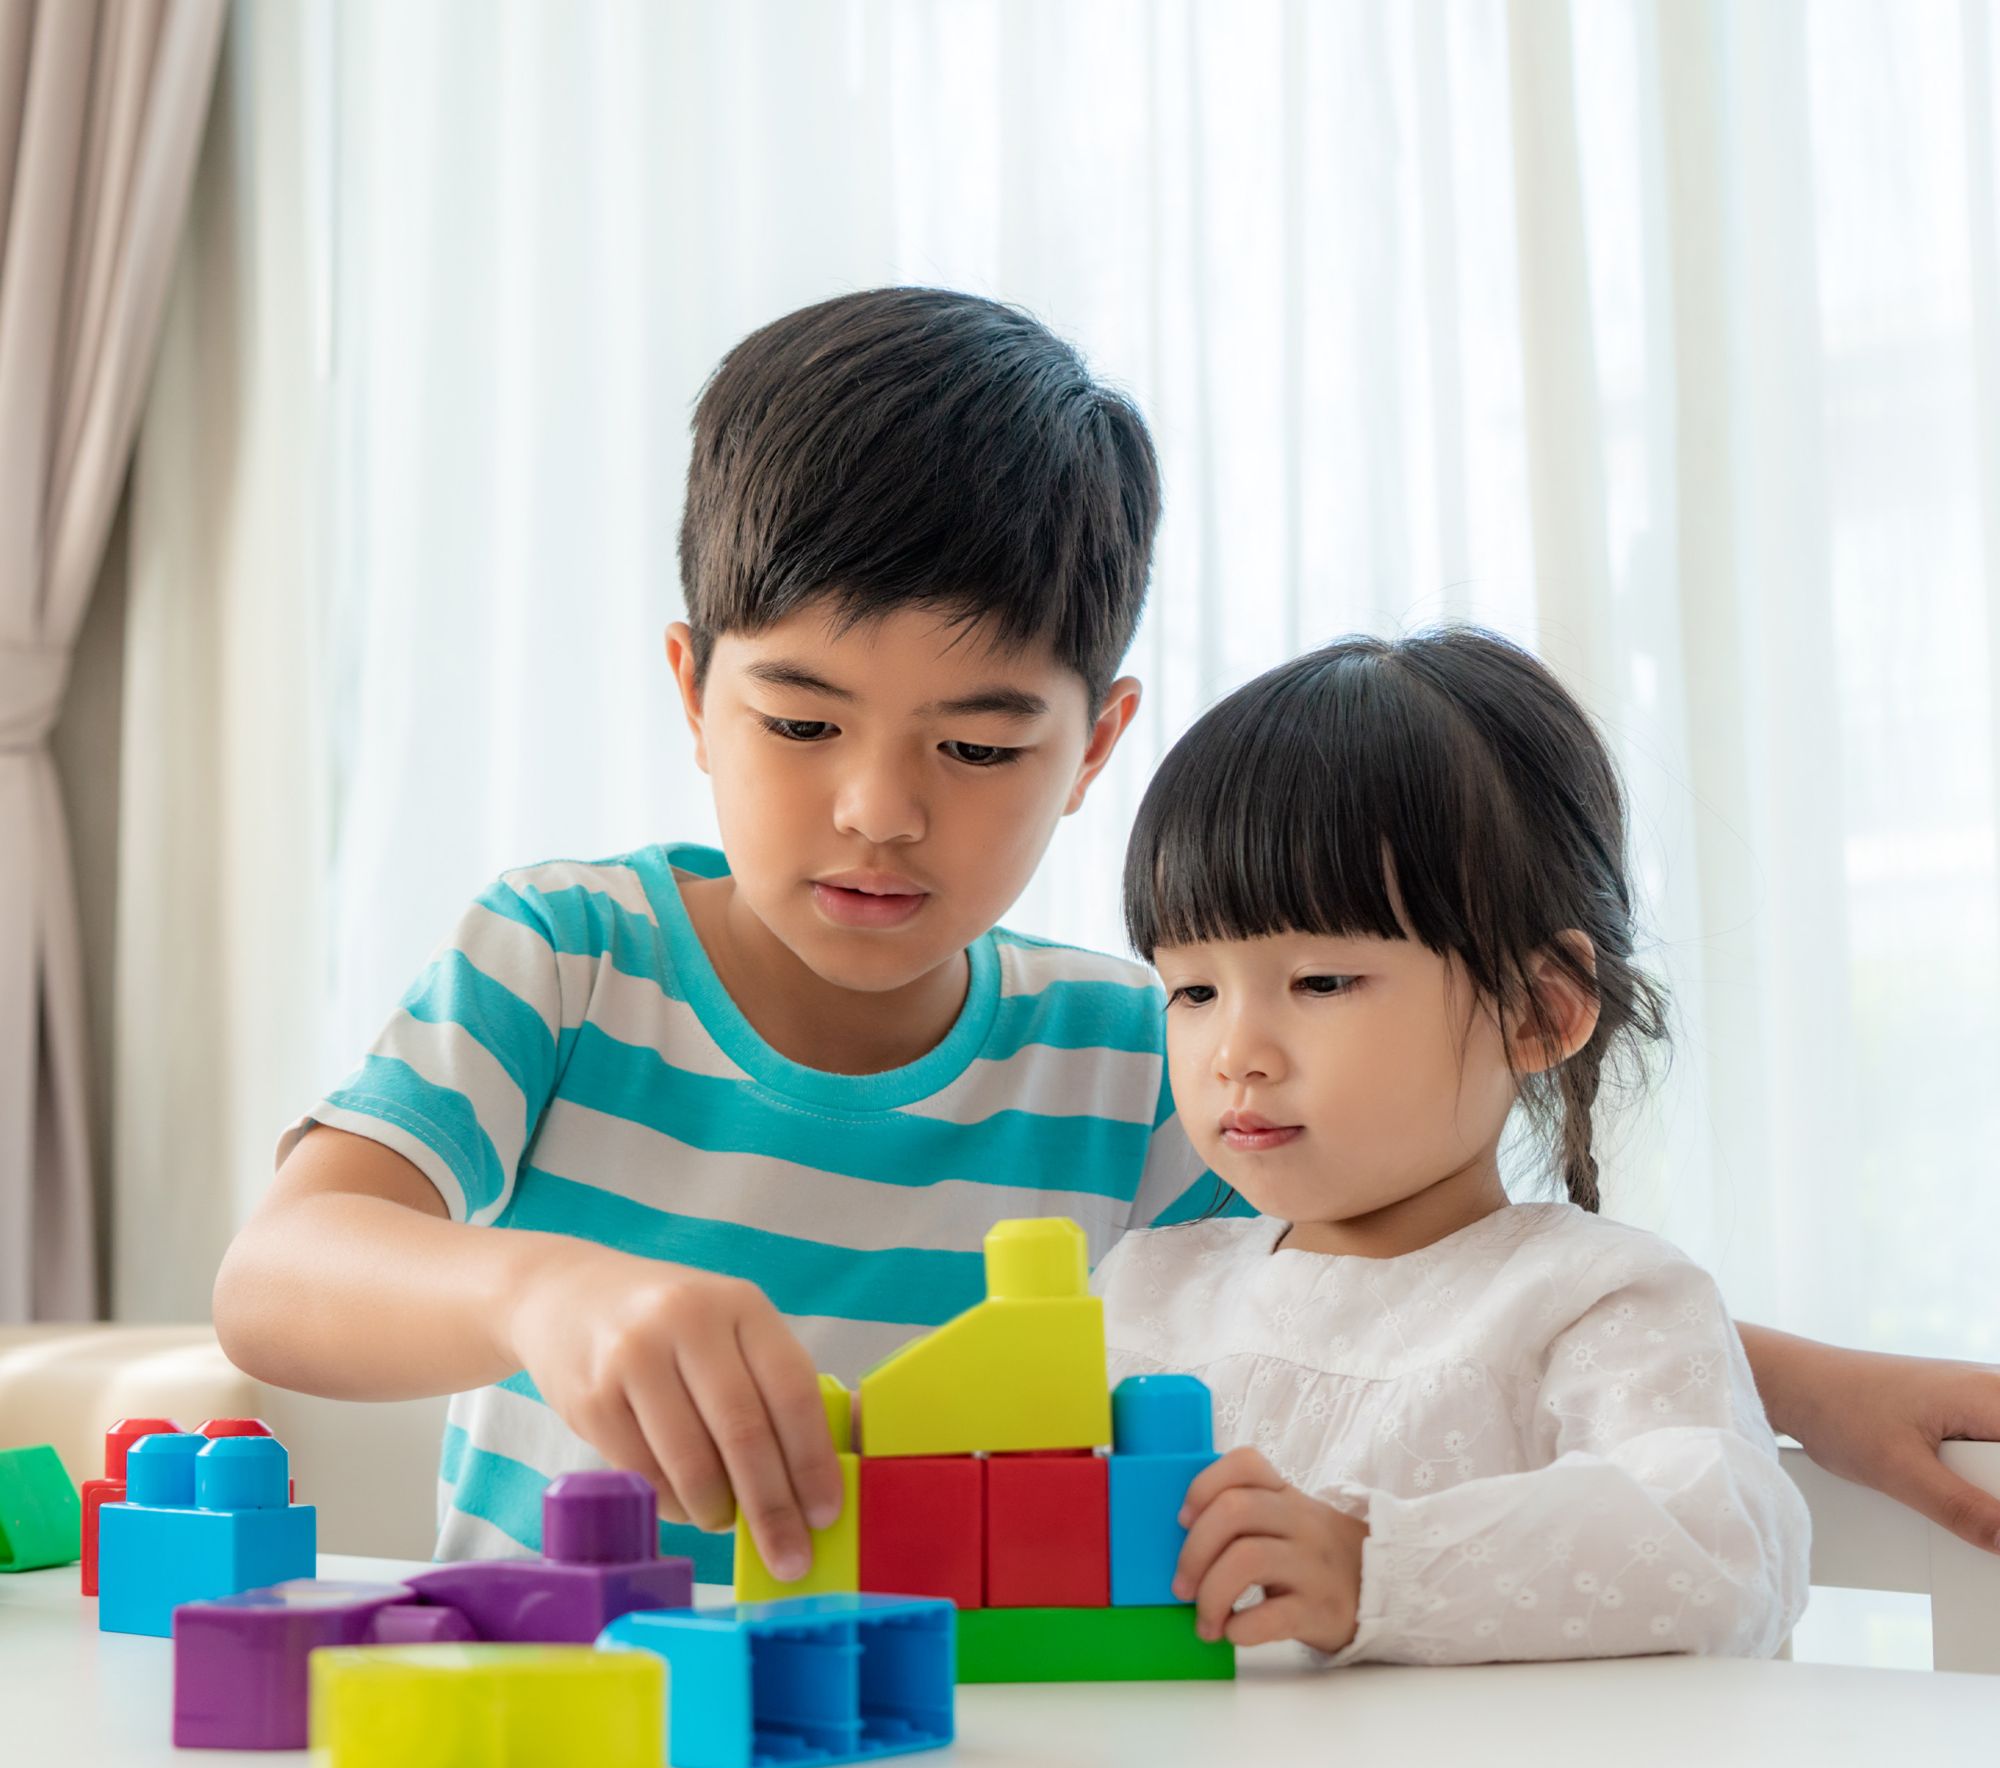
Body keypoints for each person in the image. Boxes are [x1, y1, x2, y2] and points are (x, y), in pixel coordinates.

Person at [213, 287, 2000, 1586]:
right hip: (567, 1751)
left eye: (980, 744)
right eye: (801, 721)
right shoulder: (568, 956)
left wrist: (1810, 1389)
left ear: (1100, 745)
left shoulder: (1126, 1053)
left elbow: (1422, 1297)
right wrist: (542, 1286)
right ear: (691, 690)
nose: (879, 809)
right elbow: (280, 1282)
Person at [1098, 628, 1810, 1662]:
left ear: (1538, 1009)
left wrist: (1374, 1566)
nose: (1233, 1053)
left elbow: (1725, 1543)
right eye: (1193, 990)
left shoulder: (1588, 1298)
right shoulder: (1143, 1292)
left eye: (1319, 982)